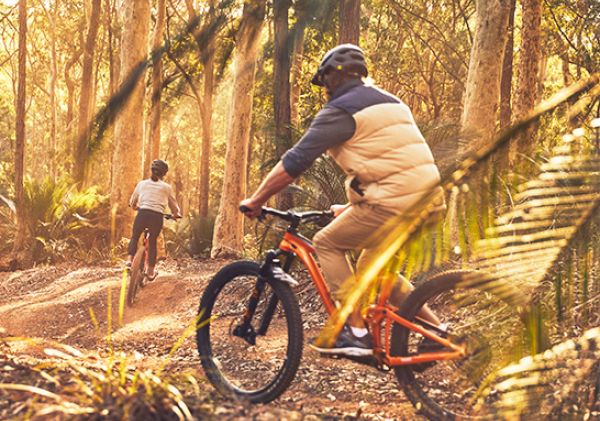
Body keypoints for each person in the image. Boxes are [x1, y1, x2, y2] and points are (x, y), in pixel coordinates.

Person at [240, 44, 444, 357]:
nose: (324, 90)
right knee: (374, 269)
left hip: (392, 204)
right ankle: (438, 333)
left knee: (326, 243)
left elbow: (295, 161)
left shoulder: (340, 110)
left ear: (331, 79)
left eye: (324, 83)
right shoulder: (393, 103)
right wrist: (351, 206)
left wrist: (257, 199)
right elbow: (395, 163)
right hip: (428, 201)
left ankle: (356, 332)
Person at [127, 159, 181, 280]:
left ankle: (129, 261)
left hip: (142, 214)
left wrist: (135, 206)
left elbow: (132, 201)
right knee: (152, 242)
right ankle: (151, 272)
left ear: (151, 171)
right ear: (164, 174)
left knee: (135, 237)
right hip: (156, 217)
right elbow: (174, 206)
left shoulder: (142, 184)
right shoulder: (166, 187)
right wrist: (176, 214)